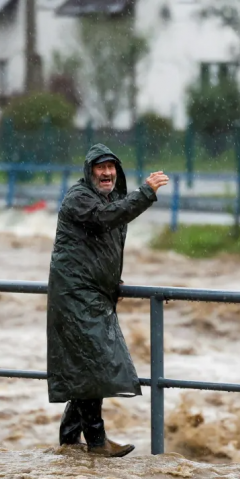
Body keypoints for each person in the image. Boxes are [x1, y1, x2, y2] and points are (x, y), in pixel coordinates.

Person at [46, 143, 169, 458]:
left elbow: (101, 244)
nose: (106, 173)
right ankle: (97, 442)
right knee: (95, 365)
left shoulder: (109, 198)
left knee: (89, 367)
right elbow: (105, 219)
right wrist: (145, 193)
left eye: (111, 167)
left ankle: (70, 440)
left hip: (92, 294)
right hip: (76, 296)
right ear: (89, 172)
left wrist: (111, 280)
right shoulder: (79, 198)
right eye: (100, 168)